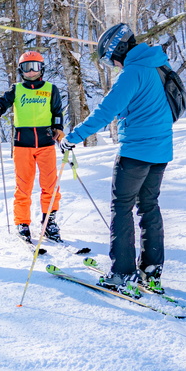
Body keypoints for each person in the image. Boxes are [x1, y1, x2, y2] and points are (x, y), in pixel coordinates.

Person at [61, 24, 172, 296]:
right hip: (161, 151)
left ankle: (121, 273)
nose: (114, 64)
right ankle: (151, 269)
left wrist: (72, 138)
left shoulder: (131, 73)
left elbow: (104, 112)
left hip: (135, 152)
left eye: (112, 59)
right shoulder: (157, 65)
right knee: (149, 206)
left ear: (118, 50)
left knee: (122, 207)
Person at [0, 51, 67, 243]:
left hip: (46, 143)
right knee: (24, 186)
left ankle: (49, 221)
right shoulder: (17, 89)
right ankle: (22, 222)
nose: (31, 72)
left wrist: (58, 129)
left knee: (50, 185)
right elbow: (1, 105)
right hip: (23, 144)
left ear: (42, 69)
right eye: (27, 68)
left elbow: (57, 112)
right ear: (21, 70)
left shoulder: (50, 89)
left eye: (35, 67)